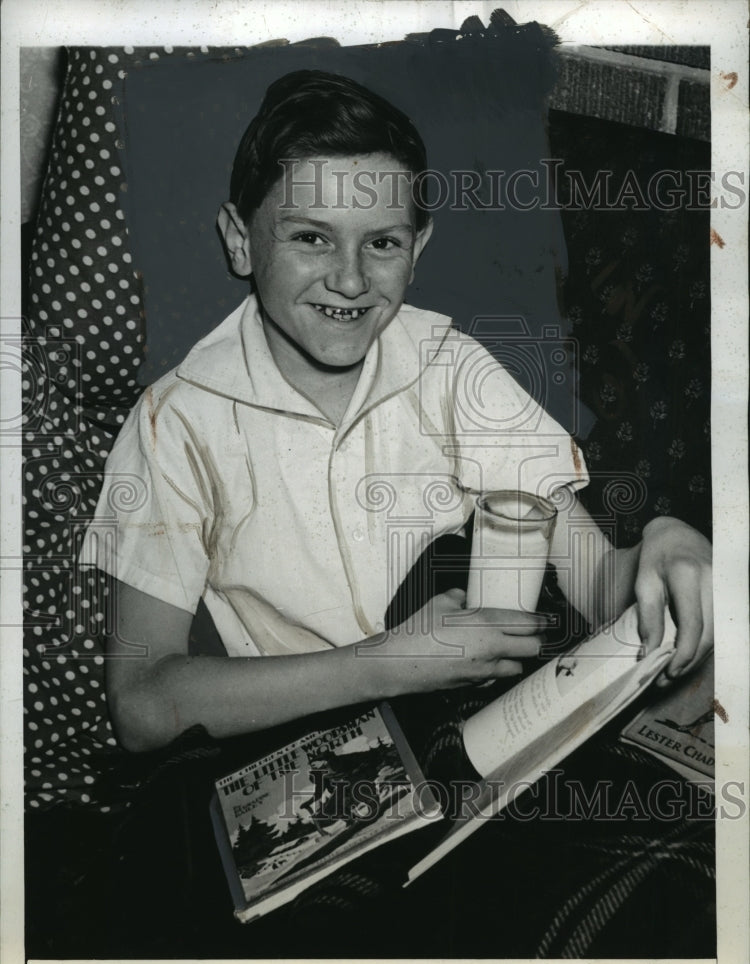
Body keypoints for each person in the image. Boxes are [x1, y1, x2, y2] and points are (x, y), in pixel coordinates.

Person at [82, 69, 713, 763]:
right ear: (239, 239)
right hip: (301, 764)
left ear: (417, 249)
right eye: (311, 239)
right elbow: (140, 703)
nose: (350, 279)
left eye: (381, 242)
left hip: (472, 733)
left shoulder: (454, 368)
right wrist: (383, 663)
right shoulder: (176, 421)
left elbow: (596, 580)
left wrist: (662, 550)